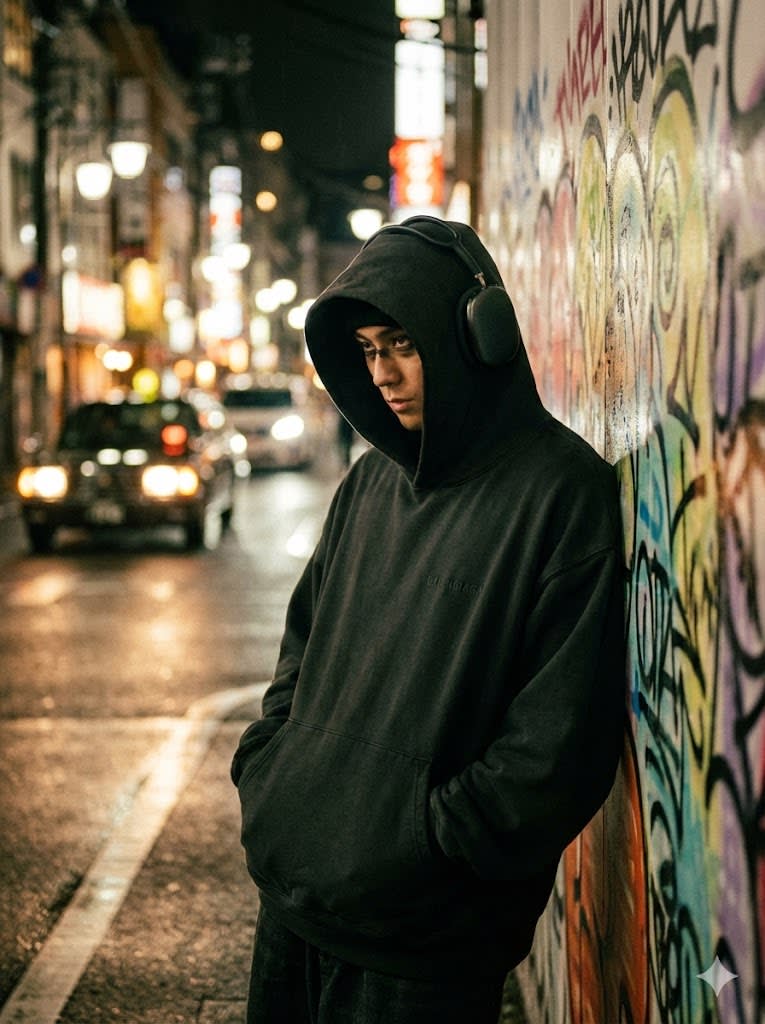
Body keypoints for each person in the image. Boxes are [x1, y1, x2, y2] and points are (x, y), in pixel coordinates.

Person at [231, 215, 626, 1024]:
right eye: (369, 351)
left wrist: (431, 839)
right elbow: (299, 653)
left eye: (401, 345)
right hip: (293, 906)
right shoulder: (369, 486)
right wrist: (274, 768)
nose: (382, 374)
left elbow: (562, 741)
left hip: (427, 947)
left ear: (476, 336)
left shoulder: (560, 492)